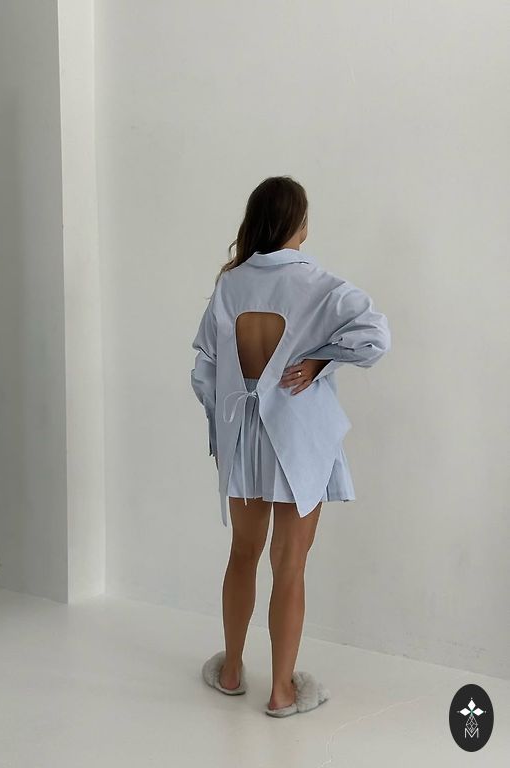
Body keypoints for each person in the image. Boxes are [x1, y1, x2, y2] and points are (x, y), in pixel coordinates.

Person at [191, 175, 391, 717]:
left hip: (243, 438)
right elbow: (376, 337)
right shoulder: (318, 283)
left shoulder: (231, 284)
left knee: (242, 554)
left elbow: (205, 369)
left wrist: (222, 432)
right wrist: (321, 360)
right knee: (290, 563)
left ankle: (231, 671)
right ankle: (281, 692)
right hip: (298, 440)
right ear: (297, 223)